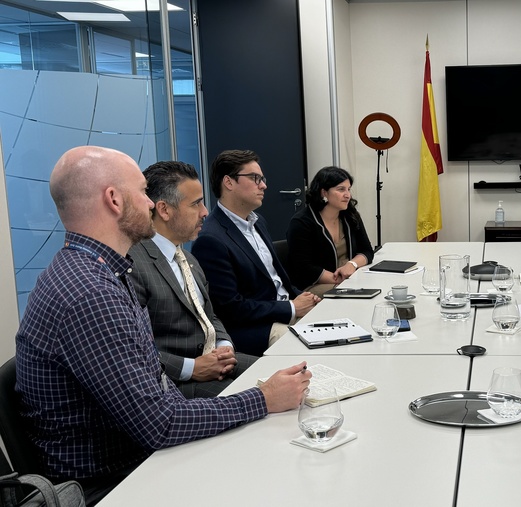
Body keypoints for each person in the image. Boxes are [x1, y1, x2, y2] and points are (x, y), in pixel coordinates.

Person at [15, 146, 311, 505]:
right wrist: (261, 399)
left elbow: (150, 381)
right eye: (142, 192)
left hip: (135, 451)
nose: (151, 204)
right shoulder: (90, 293)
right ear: (114, 200)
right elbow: (160, 424)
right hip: (117, 478)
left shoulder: (101, 270)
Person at [128, 160, 258, 399]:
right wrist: (191, 368)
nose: (205, 212)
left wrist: (224, 347)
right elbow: (132, 350)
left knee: (286, 375)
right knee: (266, 398)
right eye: (196, 204)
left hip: (217, 361)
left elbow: (209, 315)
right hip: (177, 383)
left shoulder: (188, 258)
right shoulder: (134, 264)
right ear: (164, 210)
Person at [191, 149, 321, 356]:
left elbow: (276, 279)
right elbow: (230, 309)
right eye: (255, 178)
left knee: (340, 323)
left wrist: (304, 299)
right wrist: (291, 308)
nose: (263, 185)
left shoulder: (258, 222)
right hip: (255, 327)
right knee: (308, 349)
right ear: (229, 182)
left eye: (262, 178)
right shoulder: (211, 239)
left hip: (284, 311)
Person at [286, 166, 374, 296]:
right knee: (358, 296)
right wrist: (341, 279)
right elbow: (305, 268)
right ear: (324, 193)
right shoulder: (302, 222)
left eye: (348, 189)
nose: (347, 195)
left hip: (348, 280)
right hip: (314, 285)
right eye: (341, 189)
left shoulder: (350, 216)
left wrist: (352, 264)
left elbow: (367, 250)